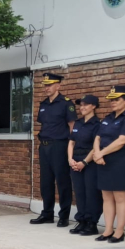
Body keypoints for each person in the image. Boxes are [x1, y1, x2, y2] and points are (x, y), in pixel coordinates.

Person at [93, 85, 125, 244]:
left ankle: (119, 231)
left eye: (117, 100)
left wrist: (101, 153)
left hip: (120, 160)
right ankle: (108, 230)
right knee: (106, 197)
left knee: (120, 197)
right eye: (111, 100)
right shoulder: (107, 118)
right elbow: (97, 137)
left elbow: (122, 141)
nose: (113, 102)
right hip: (103, 161)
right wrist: (97, 153)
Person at [31, 72, 78, 227]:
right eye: (45, 85)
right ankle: (47, 213)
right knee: (46, 182)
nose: (47, 88)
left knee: (62, 181)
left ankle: (64, 216)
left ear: (58, 85)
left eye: (50, 85)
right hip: (44, 147)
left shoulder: (66, 103)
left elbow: (72, 127)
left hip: (59, 146)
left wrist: (71, 147)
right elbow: (44, 125)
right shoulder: (43, 104)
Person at [68, 95, 103, 236]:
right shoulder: (78, 123)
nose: (82, 107)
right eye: (80, 105)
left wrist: (84, 162)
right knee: (80, 192)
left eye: (85, 105)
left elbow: (96, 146)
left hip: (90, 161)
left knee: (91, 193)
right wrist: (70, 159)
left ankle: (92, 223)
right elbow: (71, 142)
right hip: (75, 159)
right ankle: (81, 220)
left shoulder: (98, 124)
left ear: (94, 106)